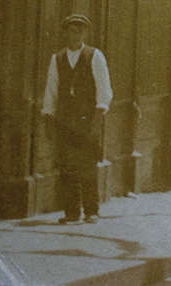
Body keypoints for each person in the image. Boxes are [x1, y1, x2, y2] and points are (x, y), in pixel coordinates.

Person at [41, 14, 112, 224]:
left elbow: (104, 88)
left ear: (85, 33)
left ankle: (91, 211)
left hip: (87, 120)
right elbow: (51, 90)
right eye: (72, 30)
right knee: (67, 167)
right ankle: (71, 213)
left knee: (88, 166)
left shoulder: (94, 56)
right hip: (65, 121)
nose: (76, 35)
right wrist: (48, 116)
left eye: (80, 31)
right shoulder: (58, 58)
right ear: (66, 33)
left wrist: (98, 117)